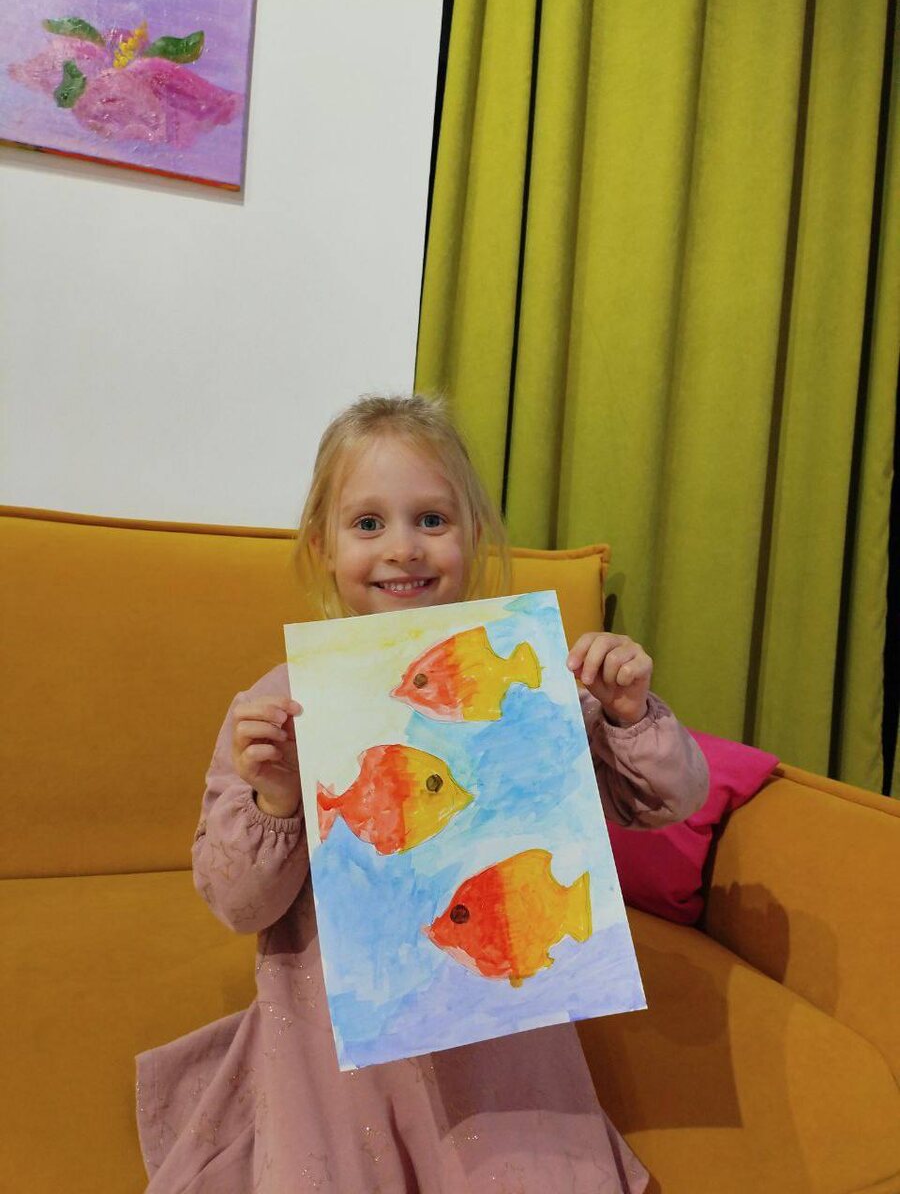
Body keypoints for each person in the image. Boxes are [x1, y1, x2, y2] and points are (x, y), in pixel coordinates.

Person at [136, 394, 708, 1193]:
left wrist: (628, 713)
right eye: (368, 523)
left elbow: (669, 801)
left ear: (471, 534)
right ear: (322, 546)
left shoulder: (523, 682)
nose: (402, 548)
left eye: (431, 520)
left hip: (501, 1038)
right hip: (339, 1059)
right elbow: (238, 904)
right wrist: (276, 801)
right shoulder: (277, 708)